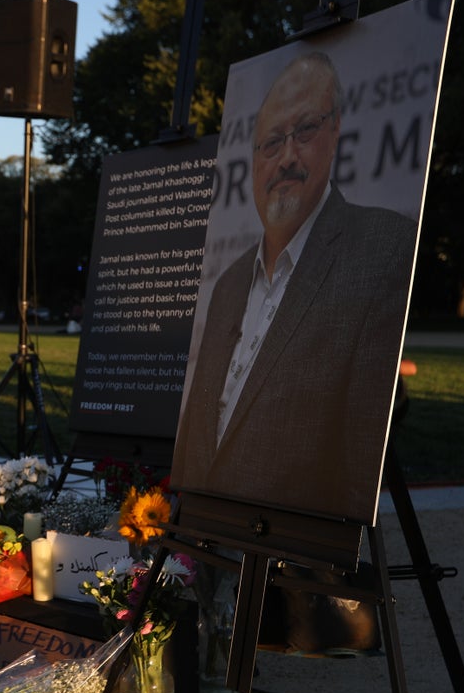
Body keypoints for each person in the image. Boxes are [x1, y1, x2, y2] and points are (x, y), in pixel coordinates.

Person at [172, 51, 416, 523]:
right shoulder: (227, 285)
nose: (286, 158)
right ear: (253, 161)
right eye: (270, 143)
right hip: (209, 547)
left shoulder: (382, 249)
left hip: (296, 558)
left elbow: (359, 456)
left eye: (304, 132)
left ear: (335, 133)